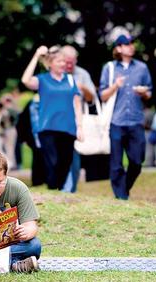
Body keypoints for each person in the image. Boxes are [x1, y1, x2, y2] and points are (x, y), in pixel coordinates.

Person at [21, 45, 83, 190]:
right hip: (47, 128)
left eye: (63, 61)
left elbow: (77, 104)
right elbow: (25, 80)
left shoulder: (70, 80)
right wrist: (36, 55)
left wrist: (80, 126)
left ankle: (58, 191)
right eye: (59, 61)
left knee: (65, 163)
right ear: (50, 64)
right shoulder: (42, 80)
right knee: (52, 162)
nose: (62, 64)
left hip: (68, 128)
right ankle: (53, 189)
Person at [99, 33, 153, 200]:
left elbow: (149, 93)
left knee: (137, 161)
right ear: (119, 48)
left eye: (132, 43)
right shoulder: (109, 68)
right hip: (116, 121)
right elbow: (102, 96)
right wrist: (116, 85)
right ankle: (121, 197)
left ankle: (124, 188)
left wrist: (144, 93)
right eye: (127, 44)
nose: (131, 46)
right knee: (116, 164)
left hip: (136, 120)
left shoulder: (142, 68)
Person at [60, 45, 98, 193]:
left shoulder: (82, 74)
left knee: (73, 155)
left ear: (76, 60)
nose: (69, 65)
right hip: (57, 120)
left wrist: (82, 87)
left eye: (72, 62)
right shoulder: (55, 72)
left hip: (76, 120)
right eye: (66, 62)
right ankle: (61, 186)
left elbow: (92, 99)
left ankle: (69, 189)